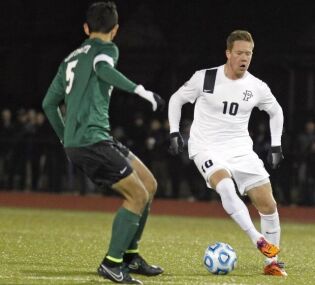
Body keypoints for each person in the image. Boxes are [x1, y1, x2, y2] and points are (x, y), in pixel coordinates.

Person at [42, 1, 165, 284]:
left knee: (149, 184)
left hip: (92, 139)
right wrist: (141, 91)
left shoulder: (69, 59)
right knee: (136, 195)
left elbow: (48, 103)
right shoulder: (107, 49)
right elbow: (102, 67)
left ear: (86, 28)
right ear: (116, 29)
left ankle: (130, 255)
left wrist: (64, 137)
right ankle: (112, 263)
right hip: (91, 141)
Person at [168, 30, 287, 276]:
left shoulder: (256, 86)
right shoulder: (206, 78)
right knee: (225, 187)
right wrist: (173, 132)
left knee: (268, 203)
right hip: (205, 146)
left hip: (240, 149)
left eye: (249, 53)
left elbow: (276, 111)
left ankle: (272, 262)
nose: (245, 58)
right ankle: (258, 240)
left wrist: (276, 144)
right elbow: (176, 99)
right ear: (228, 53)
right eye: (240, 53)